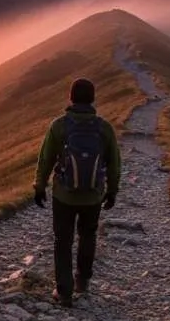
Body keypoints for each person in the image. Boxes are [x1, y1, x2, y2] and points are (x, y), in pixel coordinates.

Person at [33, 78, 121, 307]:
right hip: (93, 195)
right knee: (88, 236)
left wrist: (40, 186)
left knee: (63, 240)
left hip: (64, 195)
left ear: (70, 97)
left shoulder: (59, 126)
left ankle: (64, 292)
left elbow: (46, 158)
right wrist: (112, 191)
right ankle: (82, 282)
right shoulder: (104, 128)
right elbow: (114, 163)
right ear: (93, 98)